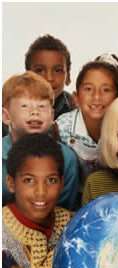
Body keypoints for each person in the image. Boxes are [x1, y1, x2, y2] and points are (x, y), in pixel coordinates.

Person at [2, 133, 73, 268]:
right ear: (11, 183)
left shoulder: (73, 225)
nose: (41, 192)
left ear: (62, 183)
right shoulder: (3, 234)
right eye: (29, 180)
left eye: (51, 180)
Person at [2, 71, 78, 210]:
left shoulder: (67, 158)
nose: (35, 111)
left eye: (41, 106)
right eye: (25, 106)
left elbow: (66, 211)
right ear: (6, 116)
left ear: (52, 115)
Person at [55, 55, 118, 203]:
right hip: (70, 200)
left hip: (109, 199)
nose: (97, 96)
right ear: (76, 97)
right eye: (88, 89)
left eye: (106, 90)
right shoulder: (61, 127)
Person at [25, 34, 75, 120]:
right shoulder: (12, 109)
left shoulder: (77, 109)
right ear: (27, 77)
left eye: (57, 70)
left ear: (68, 77)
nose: (49, 78)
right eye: (40, 70)